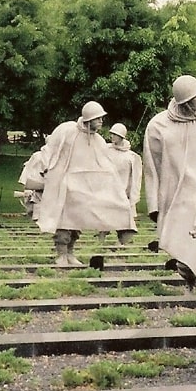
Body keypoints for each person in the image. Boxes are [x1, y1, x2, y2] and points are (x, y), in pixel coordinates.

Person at [143, 75, 196, 291]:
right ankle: (190, 279)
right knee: (183, 239)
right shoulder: (158, 125)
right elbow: (152, 166)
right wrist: (154, 204)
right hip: (178, 194)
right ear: (184, 100)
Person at [34, 100, 133, 267]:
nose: (101, 122)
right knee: (63, 222)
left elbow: (105, 165)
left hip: (83, 189)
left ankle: (71, 252)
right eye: (98, 118)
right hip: (64, 185)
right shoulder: (67, 130)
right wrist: (46, 170)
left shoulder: (99, 141)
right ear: (89, 119)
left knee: (77, 222)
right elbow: (51, 150)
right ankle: (61, 254)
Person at [103, 123, 141, 244]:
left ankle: (122, 242)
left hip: (123, 192)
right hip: (107, 191)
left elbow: (135, 178)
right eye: (112, 134)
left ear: (121, 137)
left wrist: (132, 195)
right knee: (104, 217)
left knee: (124, 220)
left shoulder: (131, 157)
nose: (113, 137)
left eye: (115, 135)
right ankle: (101, 240)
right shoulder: (106, 150)